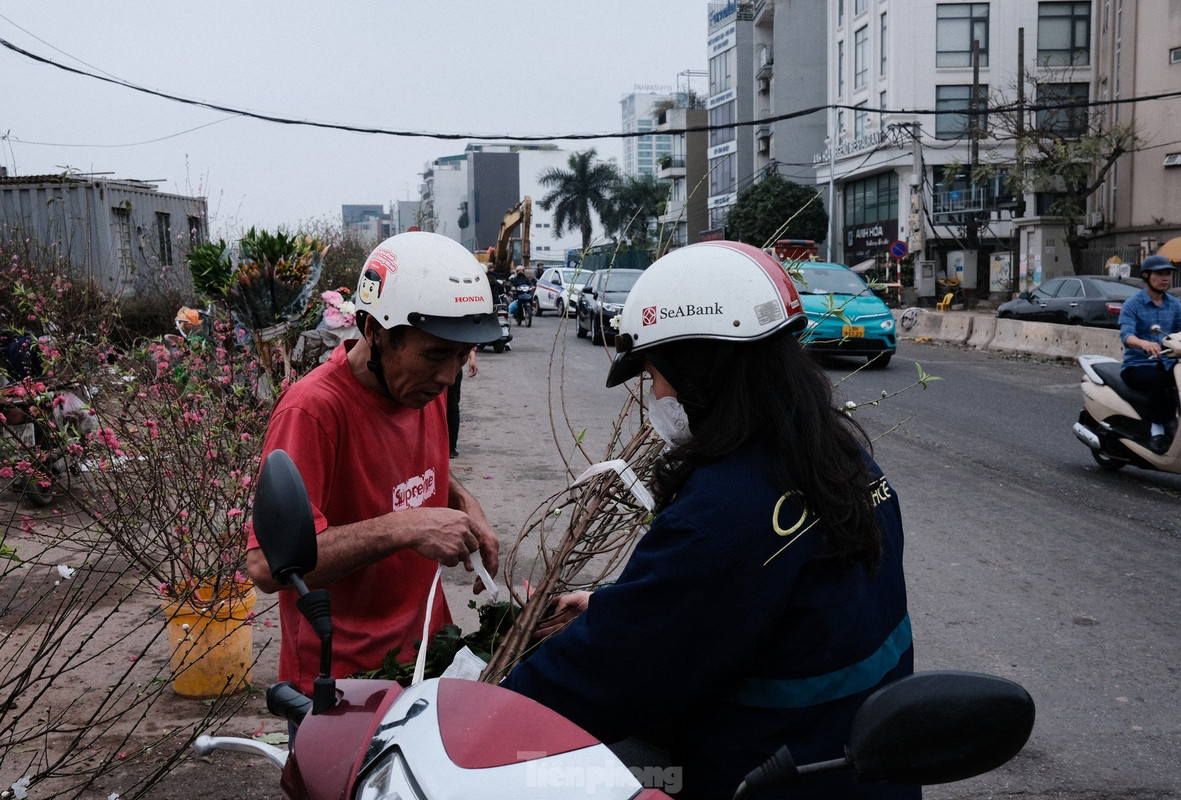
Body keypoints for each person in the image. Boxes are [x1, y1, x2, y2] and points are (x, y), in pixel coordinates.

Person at [502, 241, 915, 800]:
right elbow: (766, 600)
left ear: (701, 371)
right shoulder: (846, 464)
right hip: (853, 770)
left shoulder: (720, 515)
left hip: (749, 777)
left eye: (654, 375)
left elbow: (604, 676)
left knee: (553, 772)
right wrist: (612, 604)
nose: (655, 395)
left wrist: (489, 716)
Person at [245, 231, 502, 693]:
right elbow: (267, 565)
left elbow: (407, 472)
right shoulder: (313, 412)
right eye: (435, 355)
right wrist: (405, 527)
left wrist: (462, 499)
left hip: (426, 656)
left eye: (462, 357)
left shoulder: (422, 390)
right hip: (343, 682)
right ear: (375, 332)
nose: (448, 377)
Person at [1118, 254, 1181, 454]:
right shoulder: (1133, 304)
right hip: (1137, 365)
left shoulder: (1174, 304)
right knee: (1159, 381)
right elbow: (1126, 335)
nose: (1165, 278)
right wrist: (1143, 343)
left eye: (1168, 274)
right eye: (1160, 274)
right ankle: (1157, 430)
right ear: (1146, 276)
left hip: (1167, 362)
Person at [446, 347, 477, 458]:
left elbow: (468, 344)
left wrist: (472, 359)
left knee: (452, 407)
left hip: (454, 370)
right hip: (434, 369)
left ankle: (451, 447)